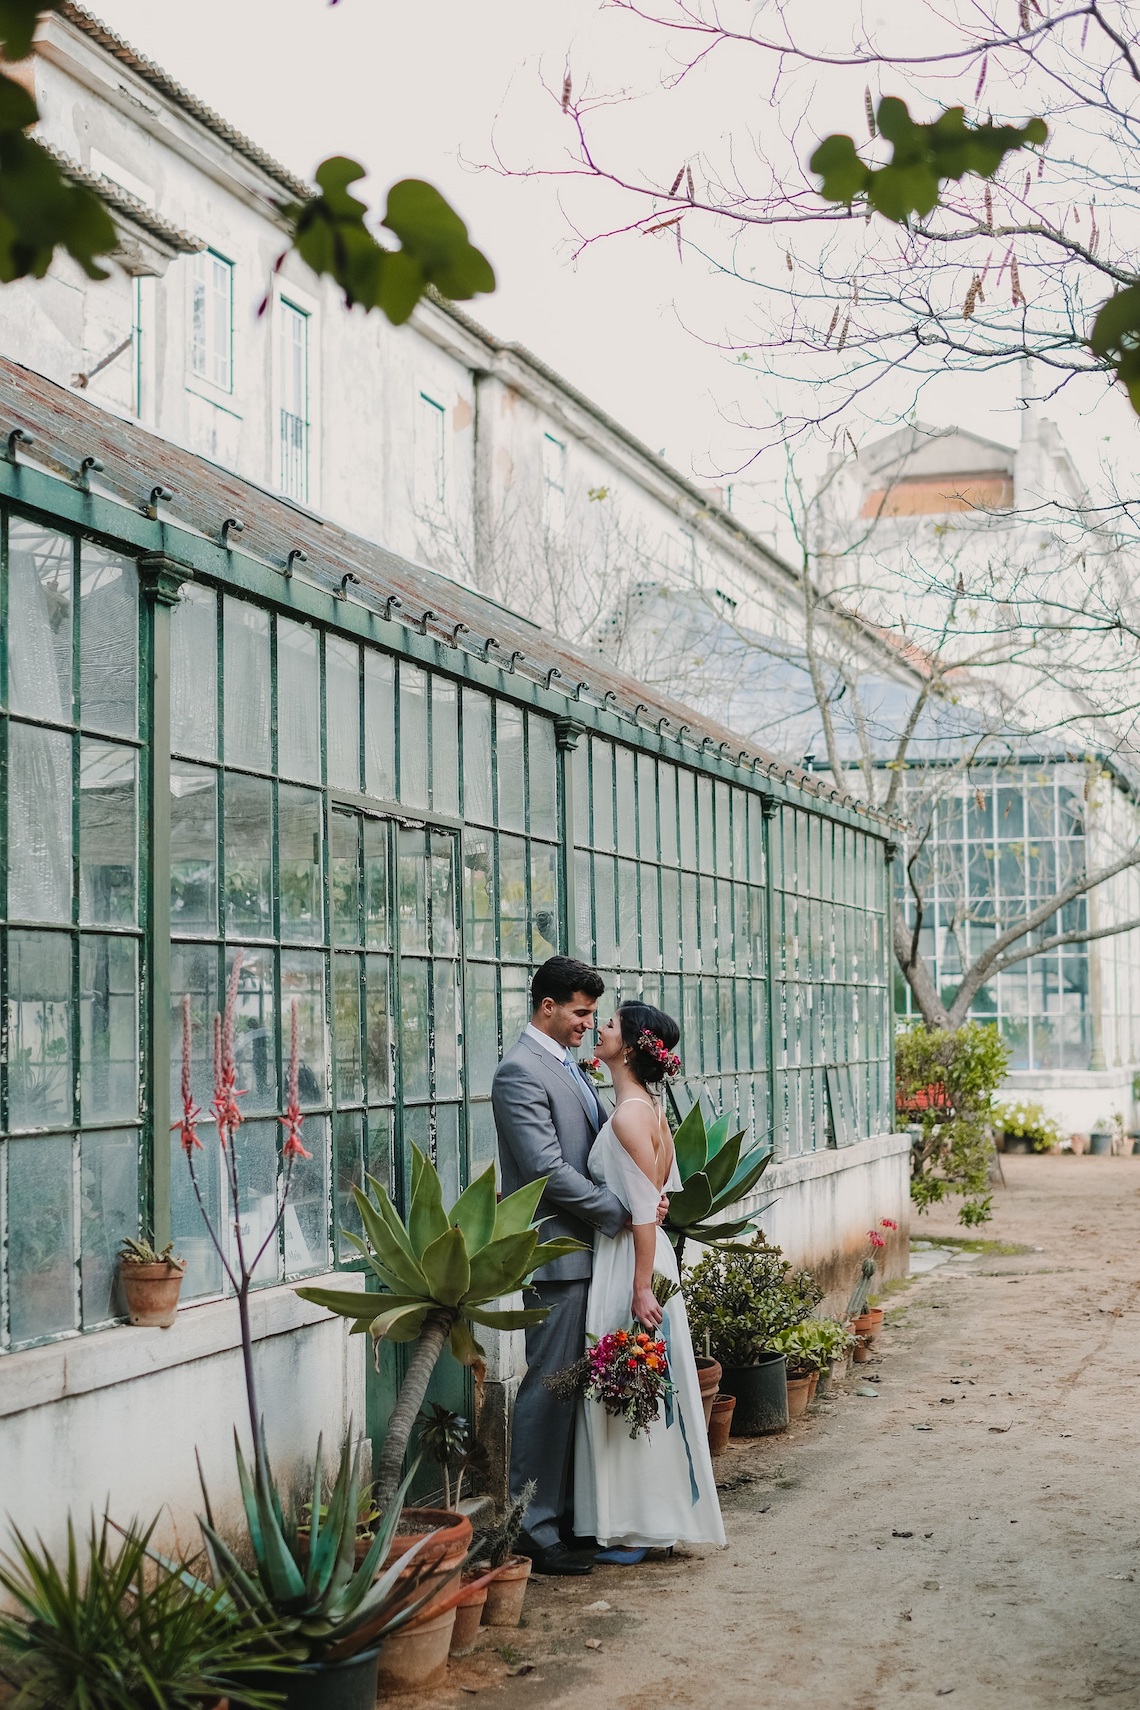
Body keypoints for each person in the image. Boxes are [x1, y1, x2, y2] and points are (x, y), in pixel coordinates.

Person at [493, 957, 661, 1576]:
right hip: (557, 1257)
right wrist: (617, 1212)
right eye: (581, 1014)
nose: (588, 1027)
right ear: (547, 1006)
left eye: (594, 1016)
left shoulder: (566, 1066)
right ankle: (531, 1528)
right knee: (548, 1388)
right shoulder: (519, 1070)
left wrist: (643, 1196)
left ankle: (563, 1518)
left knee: (575, 1394)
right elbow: (543, 1166)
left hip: (596, 1256)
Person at [573, 1000, 725, 1563]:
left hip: (631, 1263)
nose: (599, 1031)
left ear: (631, 1045)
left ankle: (638, 1524)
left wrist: (639, 1289)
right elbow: (661, 1196)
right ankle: (641, 1517)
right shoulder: (647, 1108)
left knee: (629, 1384)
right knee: (638, 1385)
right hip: (643, 1254)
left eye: (609, 1025)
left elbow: (642, 1210)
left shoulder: (631, 1115)